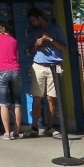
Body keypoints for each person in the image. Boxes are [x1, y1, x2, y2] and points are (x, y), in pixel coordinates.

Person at [26, 7, 68, 138]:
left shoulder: (56, 29)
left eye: (33, 20)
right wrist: (36, 44)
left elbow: (65, 47)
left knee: (51, 98)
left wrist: (50, 39)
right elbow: (30, 51)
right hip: (38, 66)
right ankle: (34, 128)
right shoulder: (34, 32)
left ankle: (50, 127)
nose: (32, 23)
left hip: (53, 67)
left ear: (39, 18)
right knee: (37, 98)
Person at [0, 22, 24, 140]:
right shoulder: (14, 40)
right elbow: (17, 58)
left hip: (0, 71)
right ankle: (17, 132)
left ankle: (6, 133)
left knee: (3, 103)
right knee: (17, 102)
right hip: (15, 70)